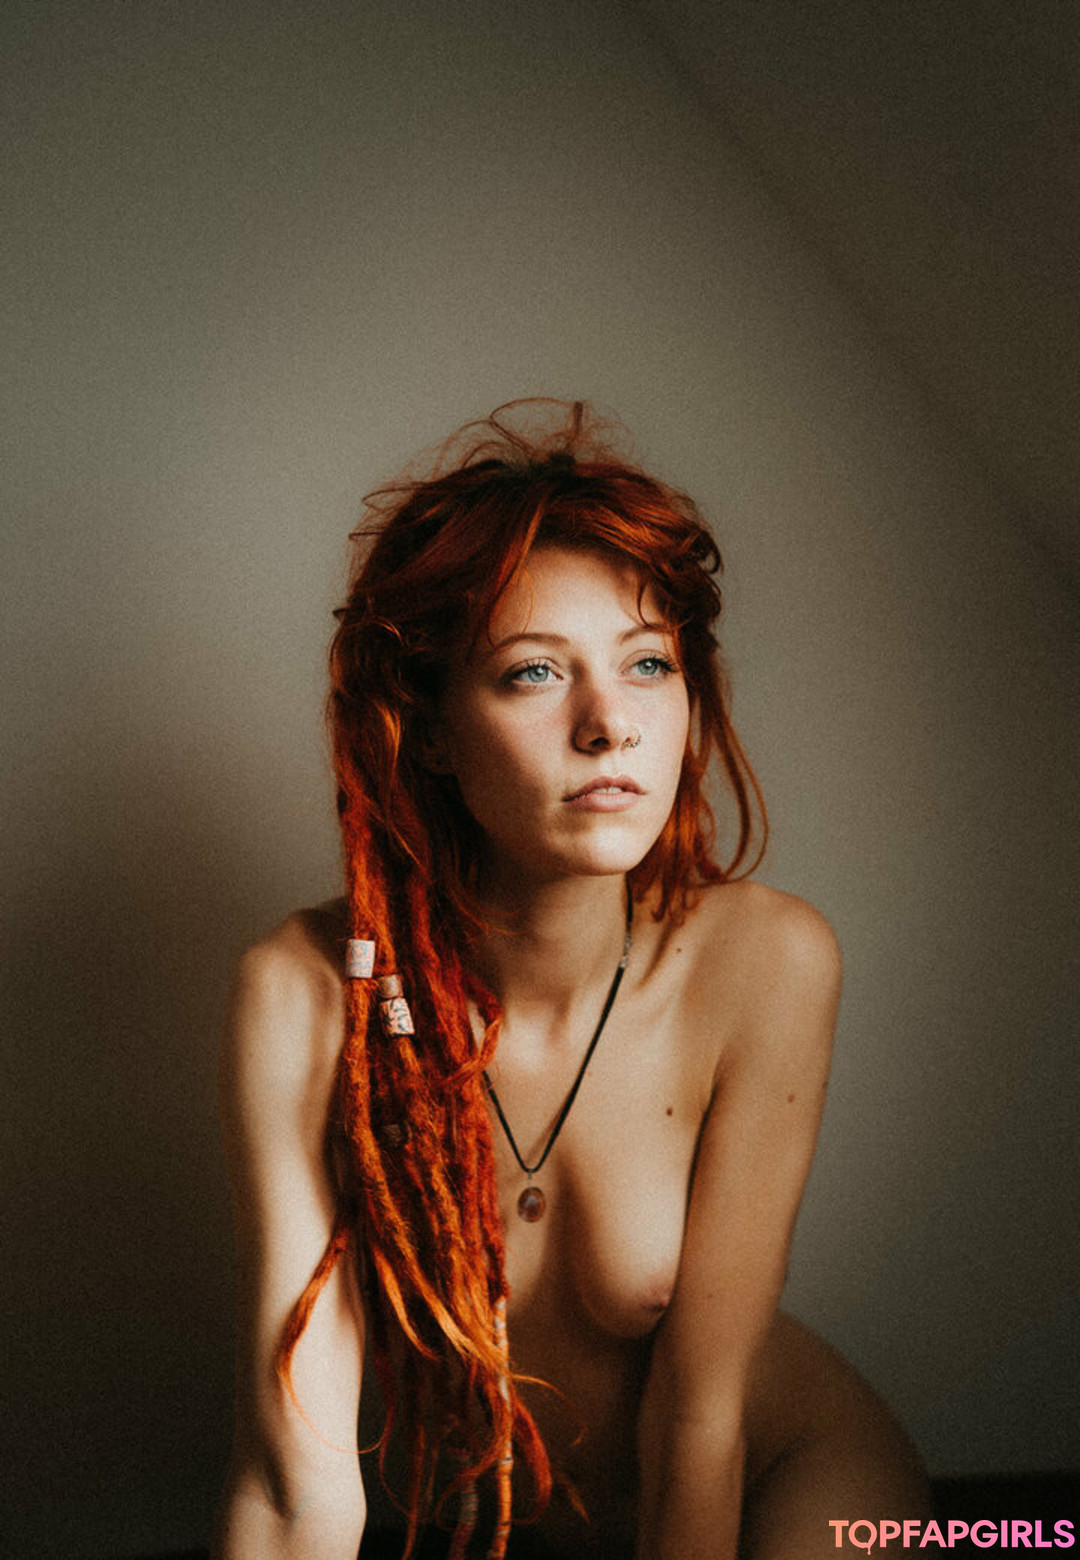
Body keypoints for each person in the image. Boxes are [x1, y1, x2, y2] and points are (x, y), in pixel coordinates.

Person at [212, 401, 930, 1560]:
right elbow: (296, 1483)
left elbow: (699, 1426)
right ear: (429, 729)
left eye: (648, 664)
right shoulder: (304, 996)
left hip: (783, 1484)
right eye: (534, 673)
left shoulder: (762, 963)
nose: (610, 726)